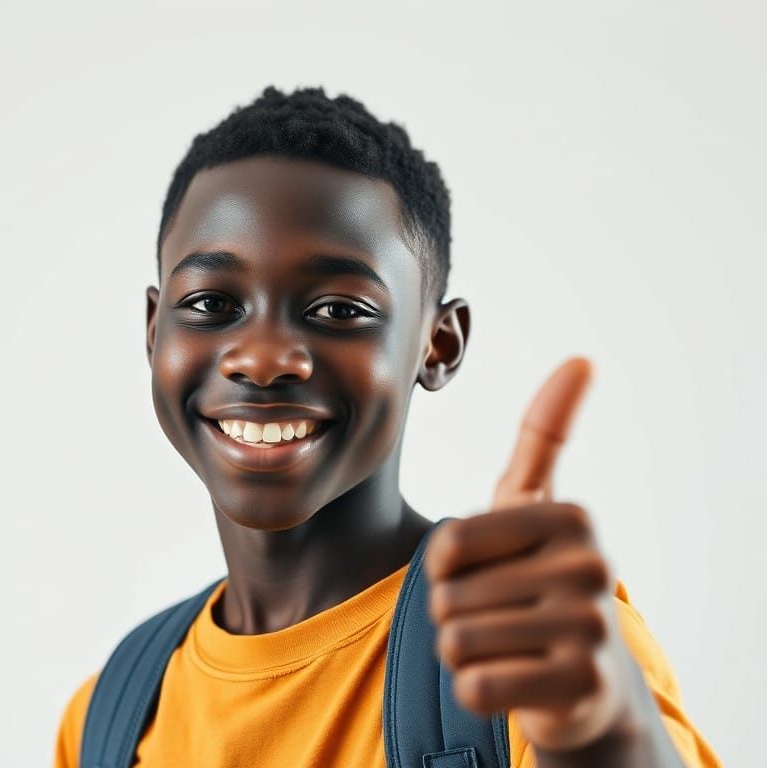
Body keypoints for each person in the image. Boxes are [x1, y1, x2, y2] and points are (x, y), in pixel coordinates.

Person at [53, 85, 721, 767]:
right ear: (152, 328)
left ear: (440, 343)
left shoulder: (530, 649)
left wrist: (606, 737)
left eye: (340, 310)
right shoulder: (108, 716)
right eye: (211, 302)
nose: (261, 359)